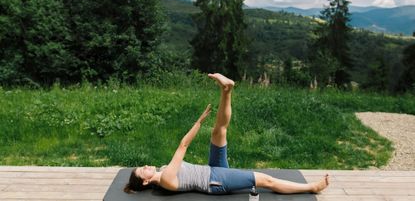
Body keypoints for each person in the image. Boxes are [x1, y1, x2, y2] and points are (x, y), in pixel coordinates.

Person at [124, 73, 329, 195]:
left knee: (218, 131)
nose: (146, 166)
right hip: (215, 181)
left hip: (212, 169)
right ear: (145, 181)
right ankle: (311, 187)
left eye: (142, 166)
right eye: (143, 170)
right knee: (266, 181)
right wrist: (199, 120)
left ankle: (227, 90)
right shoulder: (166, 179)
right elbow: (183, 145)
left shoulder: (162, 170)